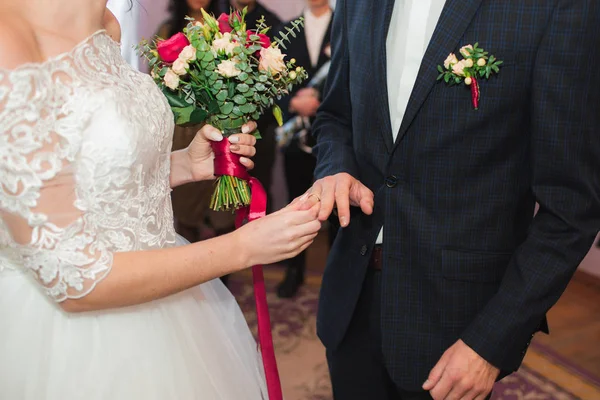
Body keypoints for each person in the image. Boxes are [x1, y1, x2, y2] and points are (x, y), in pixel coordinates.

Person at [0, 2, 322, 398]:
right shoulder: (8, 39)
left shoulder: (106, 23)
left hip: (166, 302)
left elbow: (89, 180)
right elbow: (74, 278)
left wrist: (185, 165)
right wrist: (241, 248)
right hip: (70, 338)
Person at [303, 0, 600, 399]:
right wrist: (335, 167)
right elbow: (335, 116)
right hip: (351, 299)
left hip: (457, 324)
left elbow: (571, 208)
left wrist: (491, 341)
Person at [156, 0, 239, 287]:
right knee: (186, 210)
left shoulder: (226, 29)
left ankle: (223, 280)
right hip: (182, 132)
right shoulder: (168, 30)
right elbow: (157, 86)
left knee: (223, 212)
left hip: (221, 129)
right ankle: (190, 280)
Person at [274, 0, 333, 298]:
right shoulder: (286, 31)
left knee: (335, 207)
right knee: (297, 205)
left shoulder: (345, 27)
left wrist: (323, 104)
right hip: (295, 139)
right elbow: (270, 85)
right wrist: (294, 104)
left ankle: (337, 276)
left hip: (334, 136)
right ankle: (294, 269)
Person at [228, 0, 281, 214]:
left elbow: (277, 81)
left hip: (260, 127)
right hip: (219, 126)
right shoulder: (215, 13)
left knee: (259, 189)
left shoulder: (272, 23)